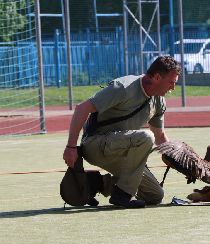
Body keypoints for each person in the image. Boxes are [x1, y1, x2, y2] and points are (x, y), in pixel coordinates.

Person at [63, 56, 182, 208]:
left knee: (155, 195)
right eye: (171, 82)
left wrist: (178, 160)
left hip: (123, 150)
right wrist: (71, 147)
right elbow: (82, 108)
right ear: (157, 77)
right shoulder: (123, 88)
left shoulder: (159, 100)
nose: (173, 88)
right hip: (95, 144)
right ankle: (122, 196)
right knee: (146, 137)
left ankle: (96, 183)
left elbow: (160, 136)